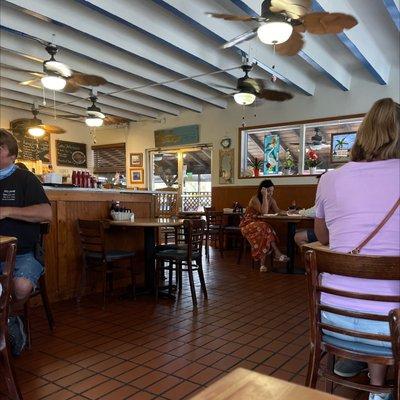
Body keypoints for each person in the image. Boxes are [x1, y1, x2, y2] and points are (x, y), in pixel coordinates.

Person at [314, 98, 400, 400]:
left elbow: (322, 237)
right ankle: (378, 388)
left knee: (368, 296)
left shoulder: (330, 178)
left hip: (332, 321)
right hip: (392, 331)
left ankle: (361, 362)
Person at [0, 129, 52, 356]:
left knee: (20, 287)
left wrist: (7, 211)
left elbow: (46, 213)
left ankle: (8, 317)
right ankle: (7, 321)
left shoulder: (25, 178)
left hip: (24, 253)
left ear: (11, 155)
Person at [240, 179, 289, 272]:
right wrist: (264, 196)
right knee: (265, 227)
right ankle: (276, 253)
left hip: (261, 225)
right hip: (248, 224)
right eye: (269, 191)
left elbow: (278, 211)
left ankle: (264, 264)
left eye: (272, 191)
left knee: (265, 229)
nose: (271, 193)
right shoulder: (255, 199)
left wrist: (289, 212)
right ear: (263, 190)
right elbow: (264, 212)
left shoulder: (271, 200)